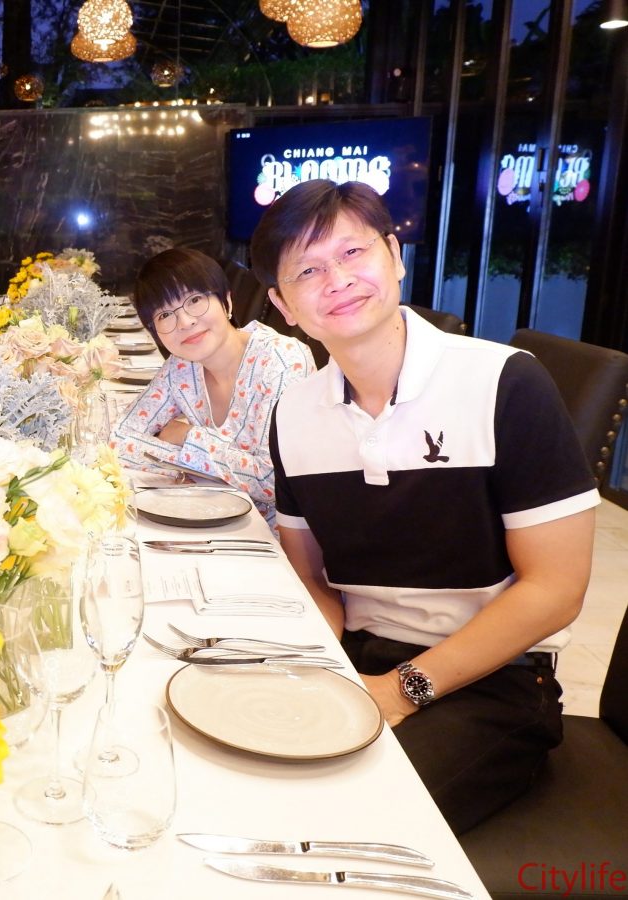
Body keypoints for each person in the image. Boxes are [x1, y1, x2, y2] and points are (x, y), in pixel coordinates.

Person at [251, 179, 599, 833]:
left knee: (341, 827)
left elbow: (556, 590)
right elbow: (313, 578)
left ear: (395, 254)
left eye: (353, 253)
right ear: (282, 305)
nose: (338, 280)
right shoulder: (294, 413)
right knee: (237, 773)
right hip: (358, 658)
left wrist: (403, 687)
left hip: (492, 678)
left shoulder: (504, 383)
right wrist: (307, 666)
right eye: (308, 270)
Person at [111, 247, 316, 526]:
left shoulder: (281, 361)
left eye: (195, 300)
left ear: (226, 301)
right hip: (206, 517)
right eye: (165, 315)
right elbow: (119, 438)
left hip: (277, 537)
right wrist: (187, 461)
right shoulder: (182, 366)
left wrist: (188, 437)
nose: (185, 322)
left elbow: (272, 481)